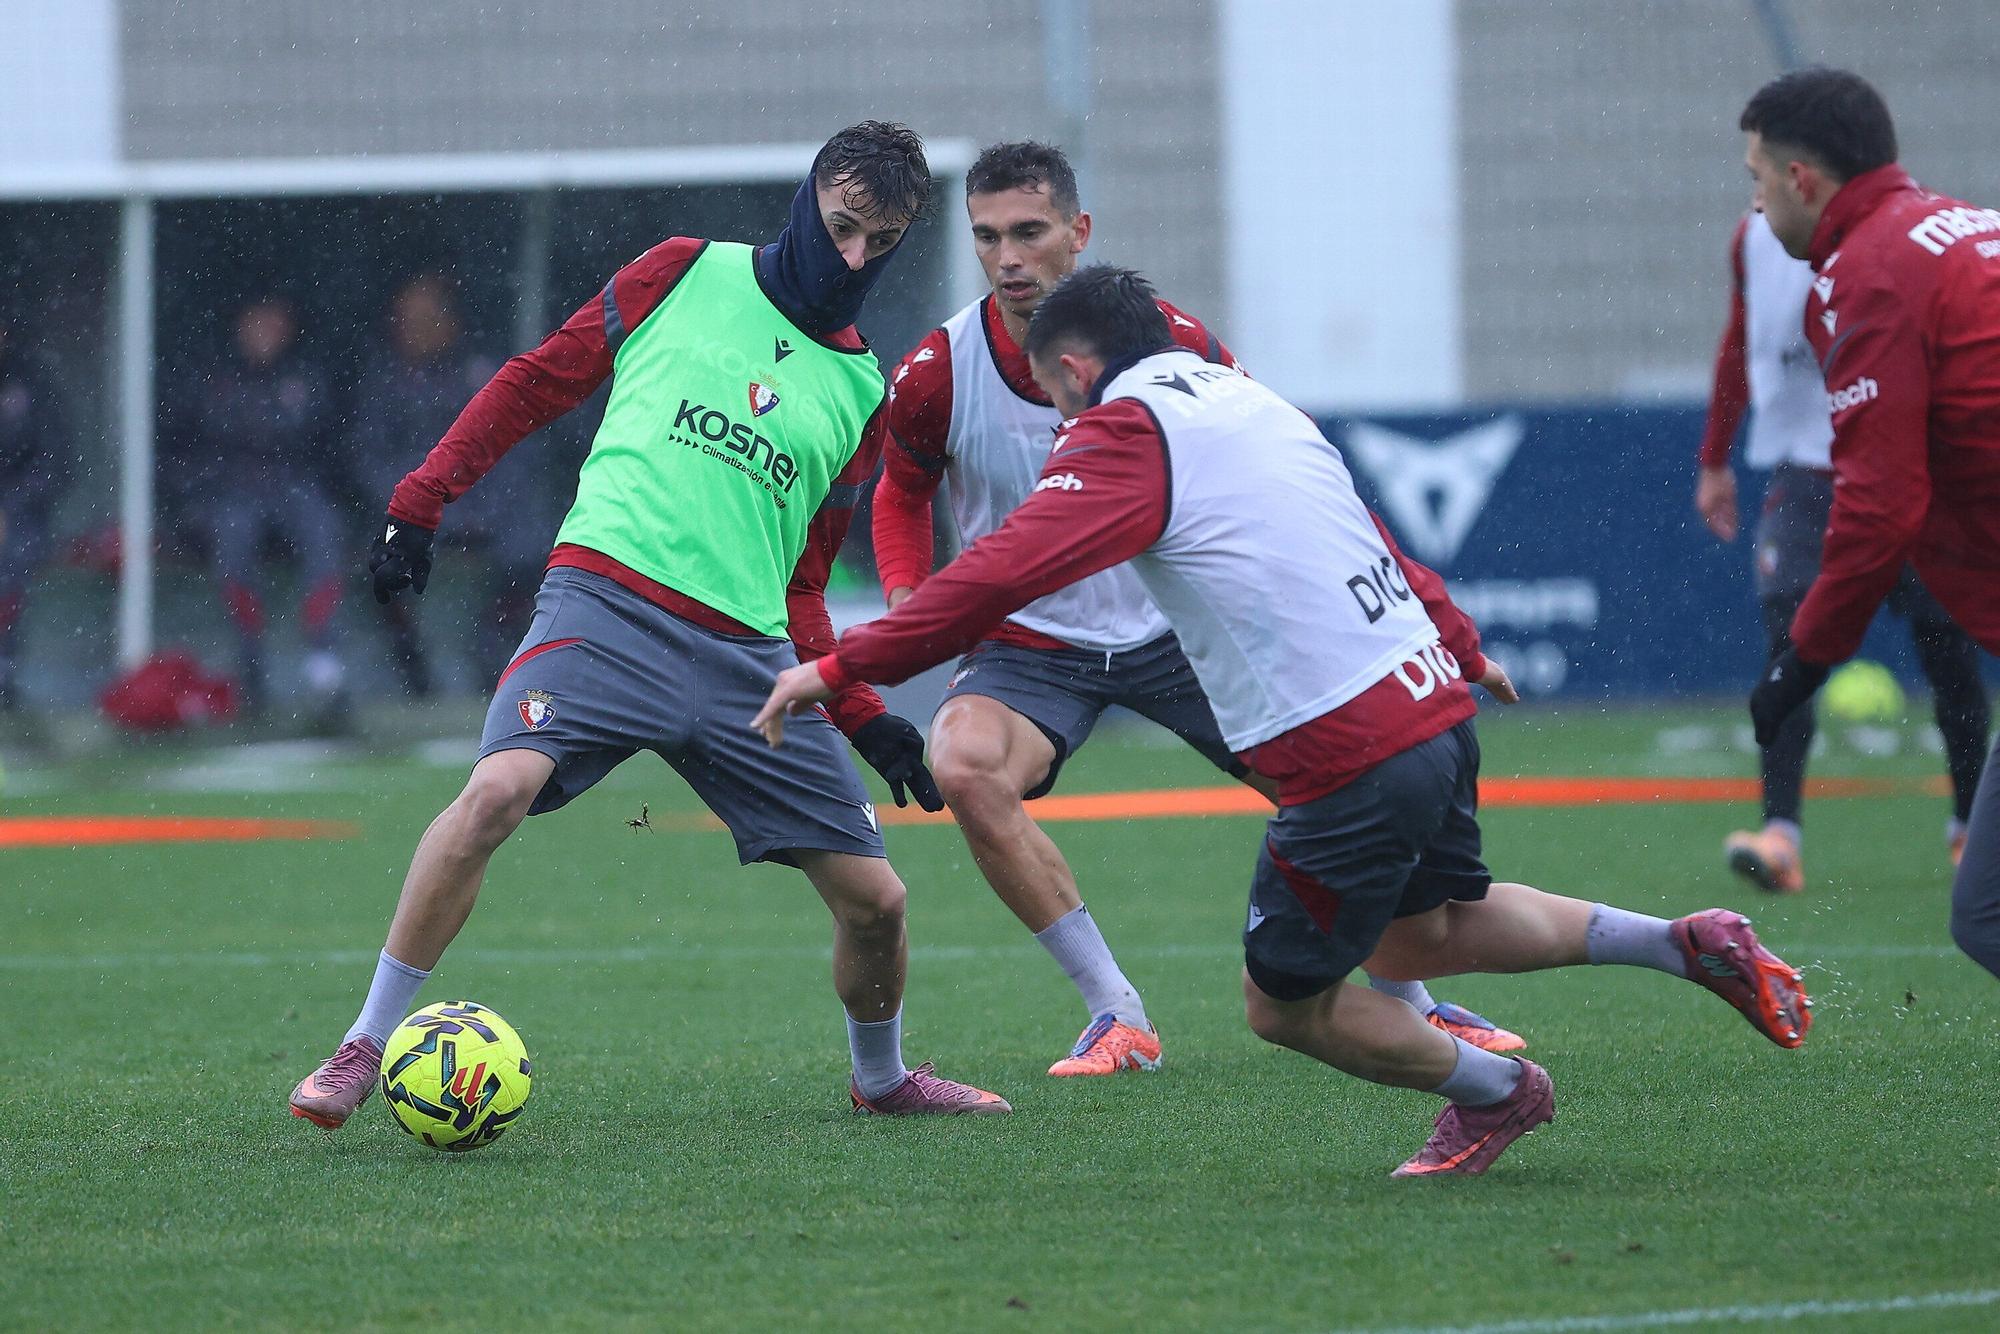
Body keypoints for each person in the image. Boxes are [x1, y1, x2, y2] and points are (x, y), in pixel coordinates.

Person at [758, 265, 1811, 1177]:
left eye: (1049, 391)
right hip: (1427, 708)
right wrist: (1454, 632)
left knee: (1284, 1006)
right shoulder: (1242, 397)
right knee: (1429, 927)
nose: (1054, 415)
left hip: (1346, 752)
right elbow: (1373, 530)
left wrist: (844, 665)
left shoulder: (1125, 429)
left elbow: (1000, 566)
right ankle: (1685, 942)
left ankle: (1497, 1090)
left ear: (1075, 370)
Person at [290, 121, 1010, 1129]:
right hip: (605, 608)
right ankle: (363, 1043)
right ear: (806, 197)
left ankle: (882, 1078)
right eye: (840, 226)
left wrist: (859, 711)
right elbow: (539, 379)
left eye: (875, 243)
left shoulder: (858, 391)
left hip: (747, 666)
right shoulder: (681, 271)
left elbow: (803, 588)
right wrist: (420, 500)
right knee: (495, 789)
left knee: (878, 903)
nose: (851, 256)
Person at [873, 141, 1522, 1077]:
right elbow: (899, 493)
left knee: (1339, 785)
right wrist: (904, 595)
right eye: (986, 238)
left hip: (1184, 627)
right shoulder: (939, 367)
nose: (1008, 258)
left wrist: (1436, 623)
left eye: (1029, 232)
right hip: (1034, 642)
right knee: (965, 765)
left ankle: (1417, 998)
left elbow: (1302, 481)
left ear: (1078, 233)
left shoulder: (1171, 343)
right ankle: (1116, 1011)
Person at [1736, 68, 2000, 979]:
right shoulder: (1964, 224)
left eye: (1759, 181)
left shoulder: (1871, 269)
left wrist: (1800, 666)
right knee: (1988, 911)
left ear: (1802, 179)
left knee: (1990, 913)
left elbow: (1879, 506)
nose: (1759, 206)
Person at [1697, 209, 1989, 891]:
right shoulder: (1751, 238)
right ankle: (1780, 836)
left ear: (1801, 170)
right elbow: (1740, 339)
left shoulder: (1900, 238)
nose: (1755, 189)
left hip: (1908, 469)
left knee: (1950, 655)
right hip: (1807, 475)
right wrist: (1714, 458)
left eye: (1760, 167)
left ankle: (1972, 832)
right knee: (1789, 646)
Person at [348, 274, 546, 693]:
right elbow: (369, 460)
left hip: (486, 511)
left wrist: (480, 509)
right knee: (381, 557)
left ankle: (499, 660)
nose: (416, 330)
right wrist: (427, 505)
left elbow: (513, 451)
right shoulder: (383, 382)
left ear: (450, 320)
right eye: (408, 320)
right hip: (415, 511)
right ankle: (415, 675)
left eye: (427, 318)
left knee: (536, 546)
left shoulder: (480, 374)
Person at [190, 295, 348, 719]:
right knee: (233, 533)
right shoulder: (215, 377)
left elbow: (329, 446)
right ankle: (250, 660)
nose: (265, 331)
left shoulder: (307, 377)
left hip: (295, 485)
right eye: (256, 320)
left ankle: (322, 655)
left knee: (323, 527)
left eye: (274, 320)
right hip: (233, 489)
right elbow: (189, 448)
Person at [0, 321, 73, 712]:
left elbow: (56, 463)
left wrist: (9, 507)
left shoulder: (33, 384)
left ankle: (3, 671)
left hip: (23, 516)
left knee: (11, 563)